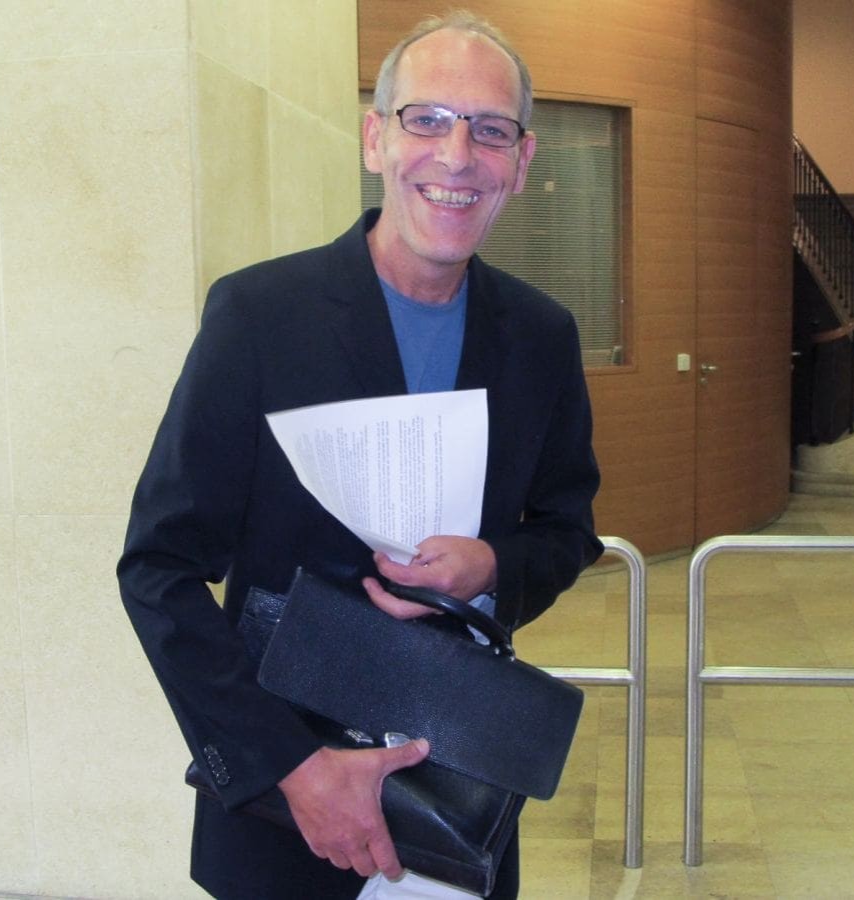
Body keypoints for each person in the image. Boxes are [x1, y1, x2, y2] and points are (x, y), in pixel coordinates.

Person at [117, 10, 602, 900]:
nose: (457, 156)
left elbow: (570, 528)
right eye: (427, 118)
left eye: (490, 130)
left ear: (522, 163)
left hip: (458, 796)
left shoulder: (540, 337)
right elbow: (158, 569)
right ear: (377, 138)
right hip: (284, 822)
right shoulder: (260, 318)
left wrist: (495, 565)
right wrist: (294, 769)